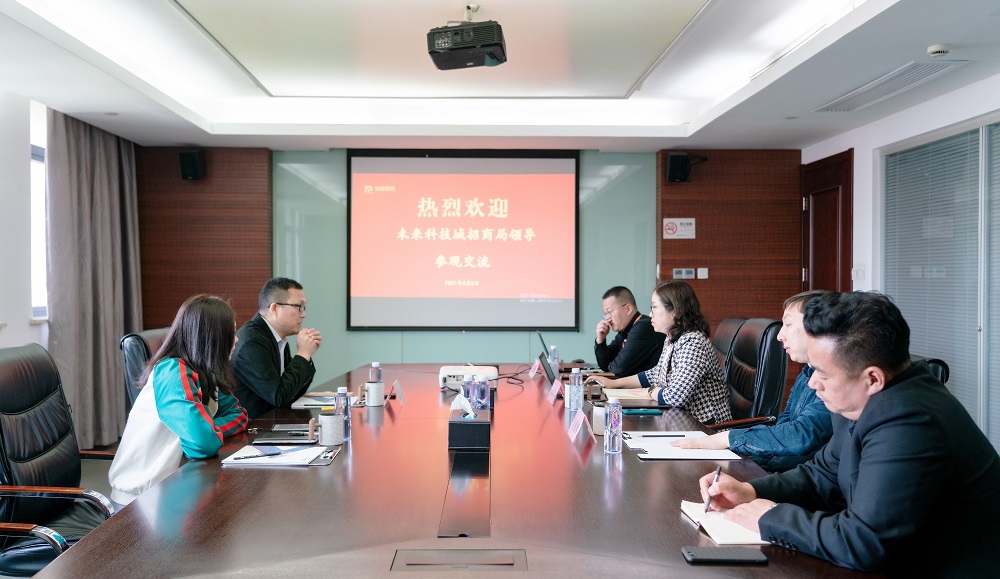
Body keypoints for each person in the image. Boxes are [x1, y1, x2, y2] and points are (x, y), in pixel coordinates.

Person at [698, 291, 1000, 575]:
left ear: (872, 379)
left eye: (823, 374)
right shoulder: (860, 399)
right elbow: (822, 474)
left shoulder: (910, 422)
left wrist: (770, 516)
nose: (813, 384)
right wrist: (751, 492)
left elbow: (863, 542)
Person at [109, 295, 248, 506]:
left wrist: (208, 428)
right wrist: (205, 432)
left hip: (176, 486)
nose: (236, 340)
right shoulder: (173, 371)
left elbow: (239, 415)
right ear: (213, 337)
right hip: (141, 501)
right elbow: (201, 445)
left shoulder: (206, 372)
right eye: (231, 333)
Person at [671, 290, 832, 472]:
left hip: (797, 475)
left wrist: (726, 439)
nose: (780, 336)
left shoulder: (833, 382)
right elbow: (786, 422)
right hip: (776, 464)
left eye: (788, 324)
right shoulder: (807, 372)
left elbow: (800, 436)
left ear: (816, 328)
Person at [590, 281, 731, 425]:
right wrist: (614, 384)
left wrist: (650, 391)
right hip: (680, 419)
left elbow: (676, 397)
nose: (650, 314)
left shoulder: (694, 342)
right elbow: (656, 374)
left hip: (706, 426)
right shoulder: (672, 339)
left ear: (674, 311)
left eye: (654, 307)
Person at [231, 277, 322, 419]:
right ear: (274, 308)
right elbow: (279, 396)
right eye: (299, 306)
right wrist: (303, 355)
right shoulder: (252, 342)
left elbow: (292, 392)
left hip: (272, 421)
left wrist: (305, 357)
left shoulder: (277, 338)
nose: (303, 314)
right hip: (253, 427)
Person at [594, 286, 665, 377]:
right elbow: (605, 365)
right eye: (605, 314)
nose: (607, 318)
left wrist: (612, 365)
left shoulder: (644, 327)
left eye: (610, 312)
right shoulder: (625, 331)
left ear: (628, 309)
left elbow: (618, 368)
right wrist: (600, 341)